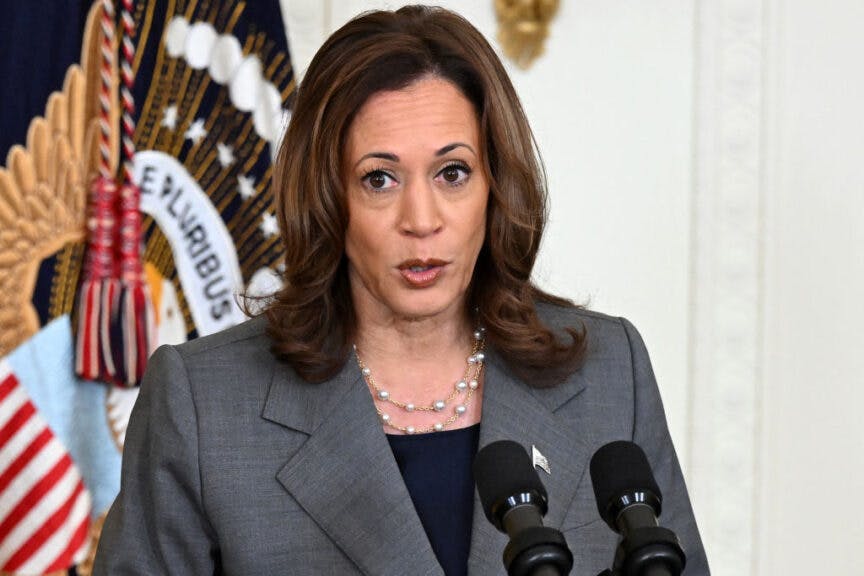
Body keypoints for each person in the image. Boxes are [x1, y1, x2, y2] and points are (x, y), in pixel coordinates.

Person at [93, 5, 709, 575]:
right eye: (380, 179)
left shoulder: (606, 373)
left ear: (495, 186)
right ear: (327, 198)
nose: (421, 218)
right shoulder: (203, 406)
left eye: (452, 173)